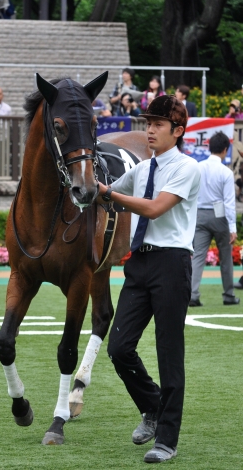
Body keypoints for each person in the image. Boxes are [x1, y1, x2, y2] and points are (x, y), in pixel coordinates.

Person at [97, 95, 201, 463]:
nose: (150, 130)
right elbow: (107, 195)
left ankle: (167, 440)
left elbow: (154, 208)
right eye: (148, 123)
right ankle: (153, 406)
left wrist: (109, 193)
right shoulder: (142, 169)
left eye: (158, 124)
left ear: (178, 131)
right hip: (139, 265)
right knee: (118, 349)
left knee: (169, 354)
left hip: (172, 264)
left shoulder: (188, 167)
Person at [189, 131, 240, 306]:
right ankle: (228, 295)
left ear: (209, 148)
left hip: (200, 215)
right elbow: (229, 202)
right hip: (220, 217)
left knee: (197, 257)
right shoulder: (226, 172)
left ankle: (193, 295)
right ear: (225, 149)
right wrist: (233, 227)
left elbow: (191, 195)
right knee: (226, 257)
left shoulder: (198, 167)